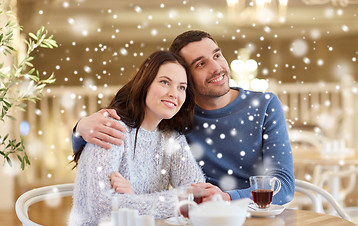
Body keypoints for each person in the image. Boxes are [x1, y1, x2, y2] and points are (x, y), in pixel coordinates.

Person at [72, 30, 295, 205]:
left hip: (257, 215)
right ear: (185, 78)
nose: (217, 68)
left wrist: (229, 198)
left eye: (217, 55)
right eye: (201, 64)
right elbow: (111, 152)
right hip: (199, 221)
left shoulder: (265, 105)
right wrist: (80, 129)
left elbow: (283, 186)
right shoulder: (175, 116)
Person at [66, 50, 205, 226]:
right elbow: (103, 210)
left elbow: (198, 193)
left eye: (182, 87)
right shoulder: (110, 128)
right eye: (165, 82)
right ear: (145, 84)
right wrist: (177, 201)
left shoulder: (172, 137)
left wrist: (132, 199)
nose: (174, 93)